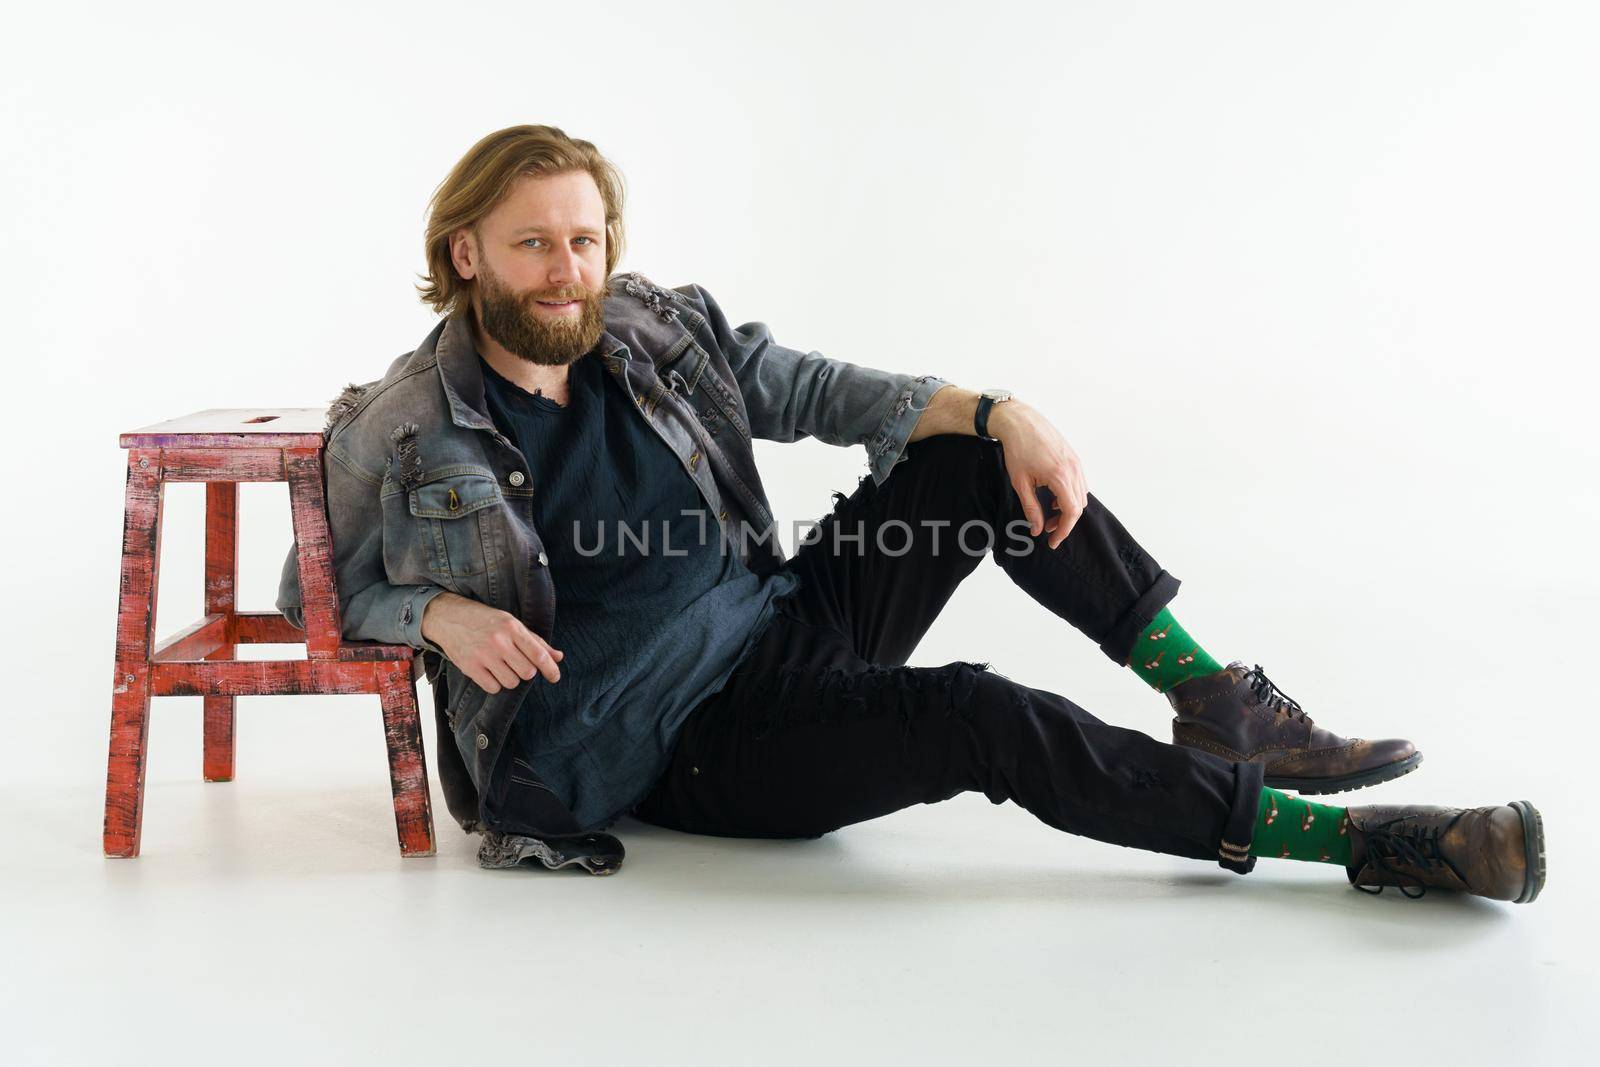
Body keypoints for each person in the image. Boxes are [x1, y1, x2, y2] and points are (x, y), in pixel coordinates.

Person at [278, 125, 1545, 903]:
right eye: (533, 247)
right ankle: (1361, 843)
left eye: (586, 241)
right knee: (975, 713)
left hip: (775, 622)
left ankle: (1220, 705)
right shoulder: (398, 426)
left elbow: (811, 389)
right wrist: (437, 609)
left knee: (967, 463)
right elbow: (318, 600)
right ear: (464, 253)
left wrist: (994, 409)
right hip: (677, 744)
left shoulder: (654, 327)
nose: (569, 274)